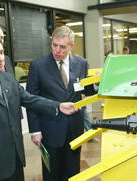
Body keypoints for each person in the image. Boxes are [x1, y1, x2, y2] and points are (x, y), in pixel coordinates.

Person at [0, 33, 77, 181]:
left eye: (2, 52)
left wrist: (58, 106)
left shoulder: (7, 78)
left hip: (15, 159)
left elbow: (29, 99)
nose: (1, 58)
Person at [26, 25, 95, 181]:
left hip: (74, 128)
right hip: (50, 128)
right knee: (52, 173)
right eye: (54, 45)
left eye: (62, 47)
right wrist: (35, 130)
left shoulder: (82, 63)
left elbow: (88, 90)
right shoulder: (38, 66)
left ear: (71, 46)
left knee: (72, 172)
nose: (57, 50)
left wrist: (97, 82)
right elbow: (31, 100)